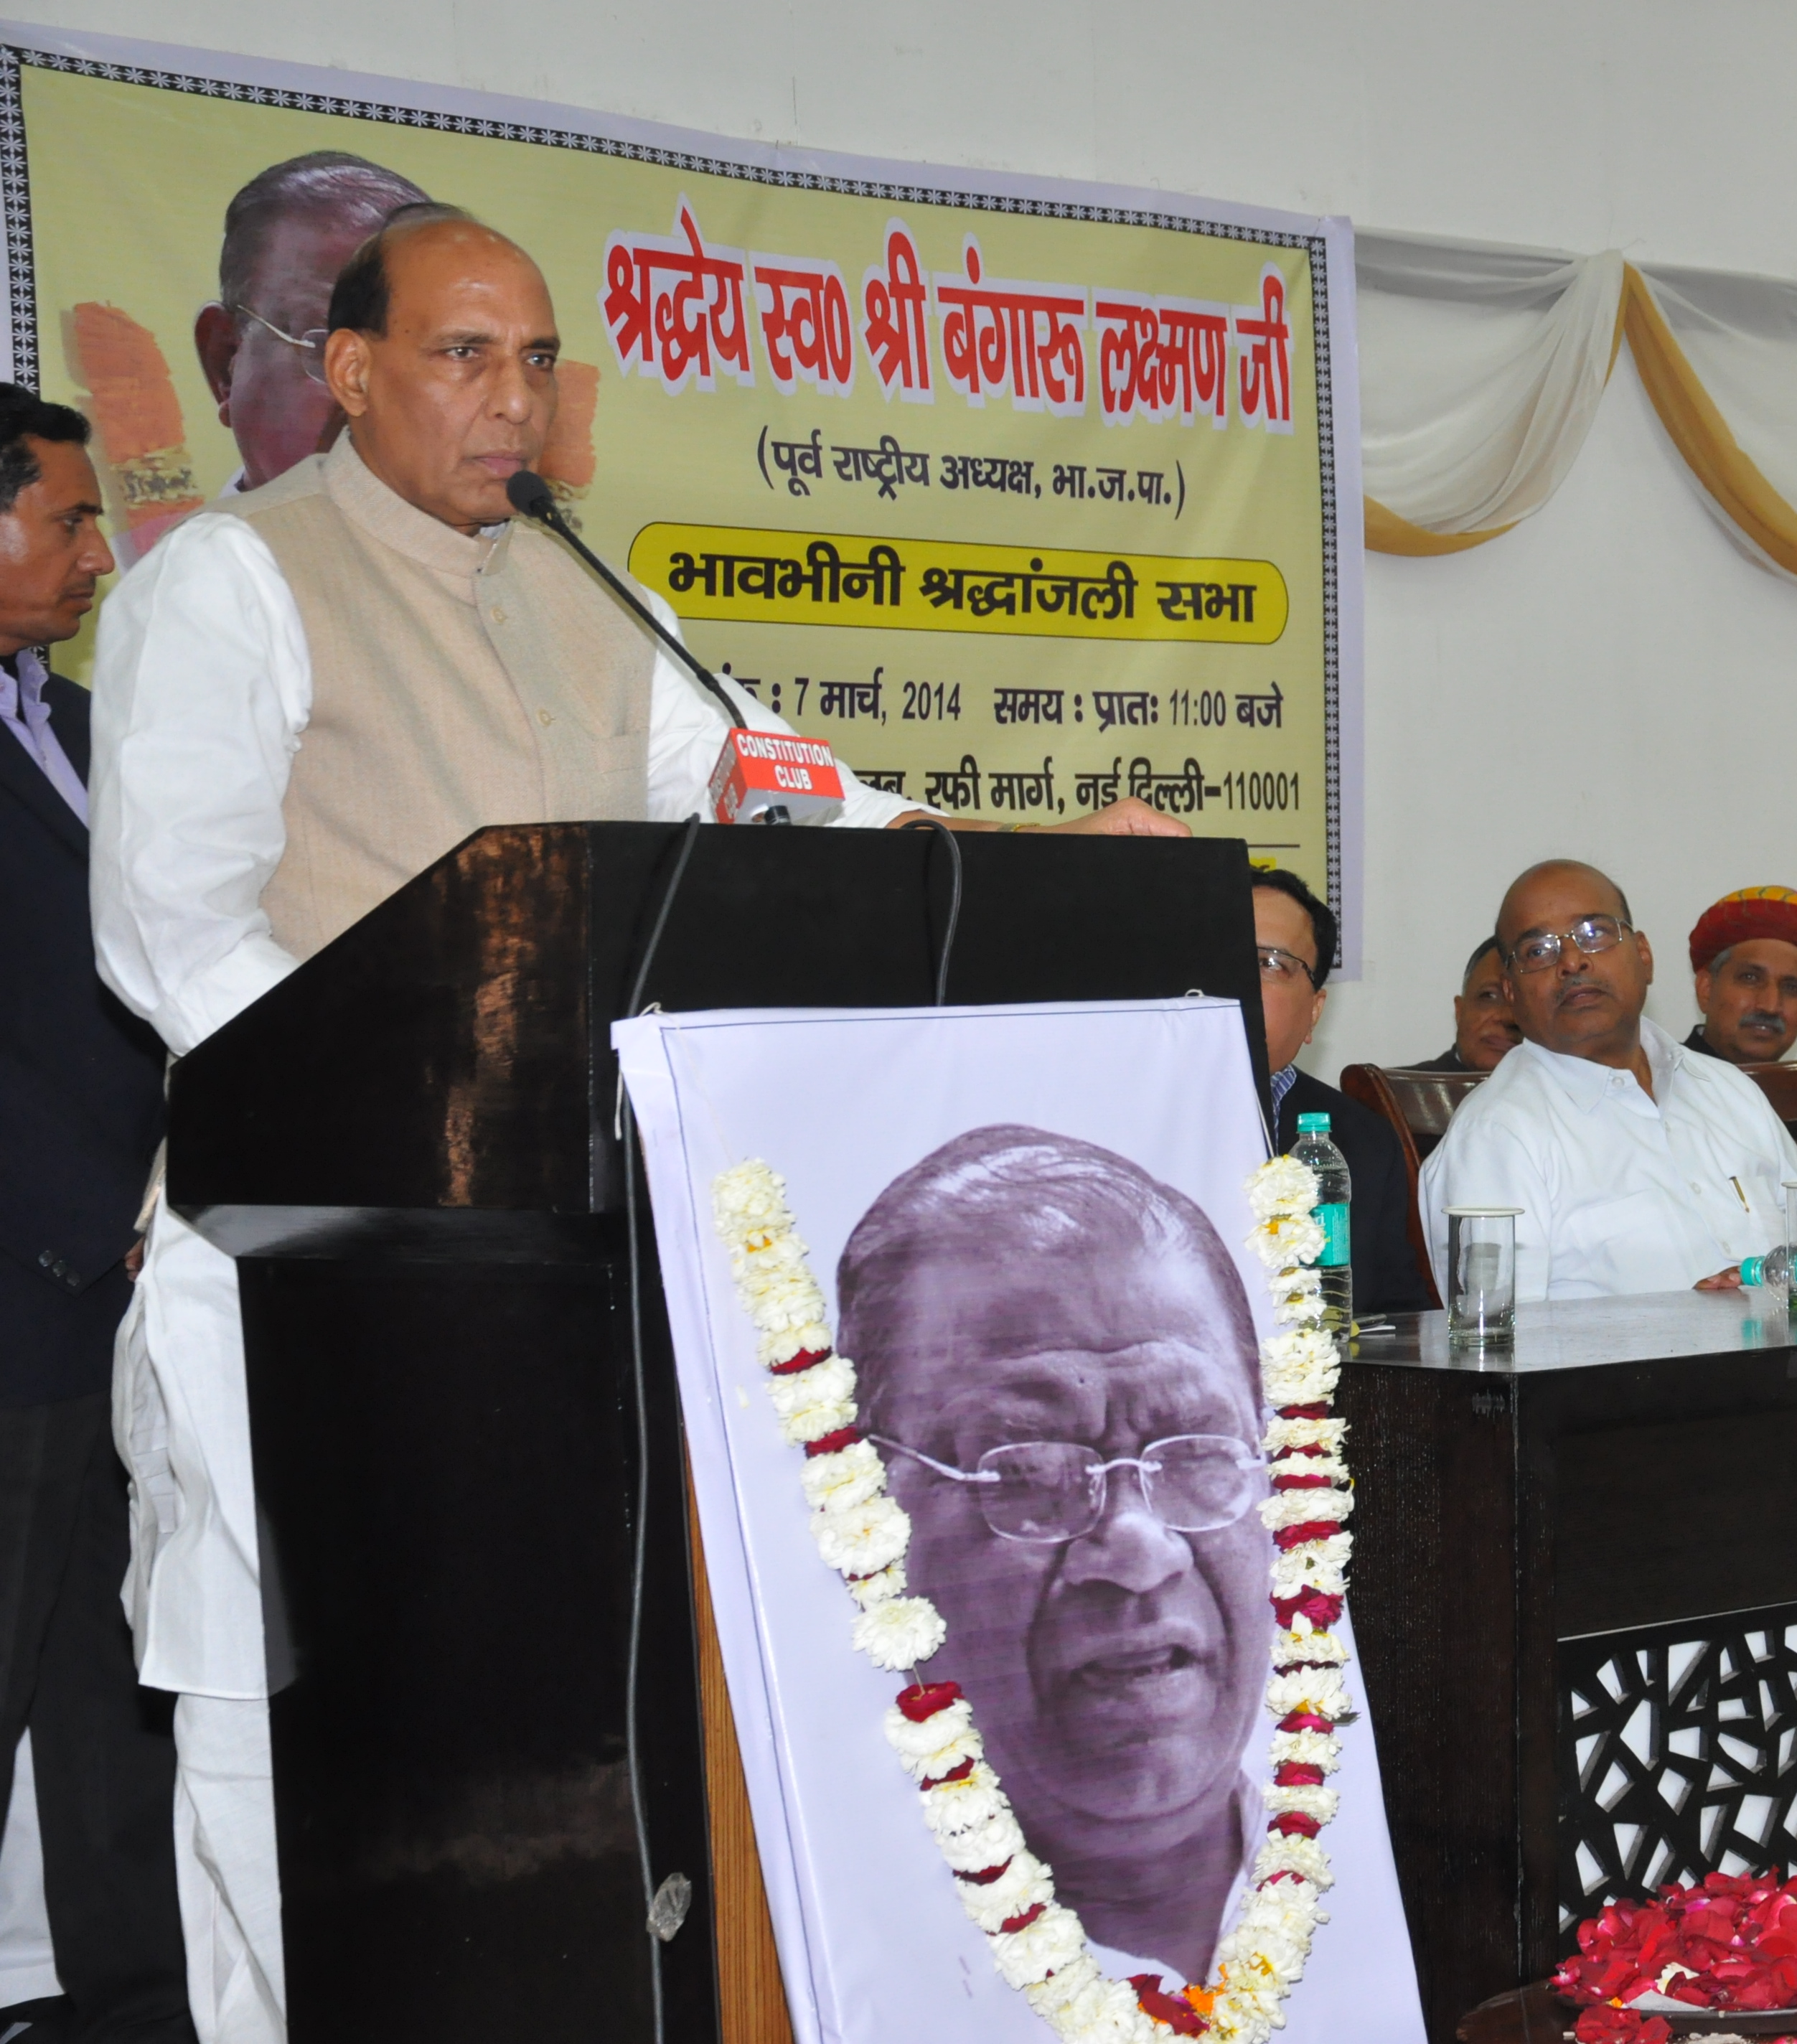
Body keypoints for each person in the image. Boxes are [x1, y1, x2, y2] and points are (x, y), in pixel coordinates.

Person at [85, 205, 1179, 2044]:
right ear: (346, 374)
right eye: (463, 354)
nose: (512, 398)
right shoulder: (231, 580)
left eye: (535, 359)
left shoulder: (586, 593)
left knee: (512, 1769)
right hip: (295, 1273)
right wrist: (396, 1100)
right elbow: (169, 930)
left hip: (542, 1278)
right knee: (287, 1759)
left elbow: (773, 787)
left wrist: (1005, 857)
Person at [844, 1127, 1268, 1987]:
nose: (1139, 1550)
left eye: (1194, 1453)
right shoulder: (840, 1943)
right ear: (870, 1507)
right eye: (1030, 1470)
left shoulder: (1394, 1861)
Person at [0, 387, 192, 2042]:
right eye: (64, 518)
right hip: (14, 1292)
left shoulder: (58, 719)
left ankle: (132, 2006)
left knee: (107, 1688)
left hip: (111, 1288)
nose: (97, 549)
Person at [1420, 861, 1797, 1300]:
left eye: (1594, 933)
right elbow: (1501, 1355)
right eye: (1538, 949)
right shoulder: (1497, 1135)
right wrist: (1676, 1327)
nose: (1571, 962)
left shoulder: (1728, 1091)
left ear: (1645, 956)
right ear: (1511, 992)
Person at [194, 154, 429, 496]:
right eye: (329, 350)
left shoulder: (517, 544)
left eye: (429, 357)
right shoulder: (191, 551)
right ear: (225, 364)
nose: (383, 399)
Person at [1250, 867, 1422, 1316]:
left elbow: (1399, 1317)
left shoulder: (1361, 1143)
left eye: (1270, 963)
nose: (1241, 980)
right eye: (1221, 955)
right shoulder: (1122, 1116)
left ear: (1314, 1012)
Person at [1683, 886, 1797, 1066]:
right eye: (1750, 978)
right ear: (1706, 989)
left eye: (1792, 988)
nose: (1771, 1006)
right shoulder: (1652, 1086)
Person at [1409, 937, 1520, 1072]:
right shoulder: (1388, 1090)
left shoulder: (1550, 1091)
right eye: (1489, 996)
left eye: (1524, 1003)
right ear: (1459, 1011)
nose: (1508, 1017)